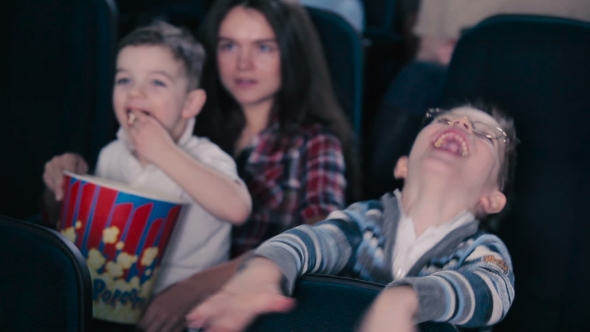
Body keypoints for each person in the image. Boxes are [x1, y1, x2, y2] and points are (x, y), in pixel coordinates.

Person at [187, 103, 518, 331]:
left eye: (485, 134)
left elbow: (492, 290)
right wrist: (262, 271)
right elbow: (312, 241)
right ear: (403, 165)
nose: (459, 124)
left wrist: (404, 300)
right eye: (443, 120)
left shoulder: (483, 249)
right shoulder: (363, 222)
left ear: (491, 198)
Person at [137, 0, 359, 331]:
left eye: (264, 48)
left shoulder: (315, 142)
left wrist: (198, 286)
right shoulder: (192, 127)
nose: (244, 64)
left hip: (255, 313)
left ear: (290, 54)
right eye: (229, 46)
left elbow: (322, 235)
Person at [41, 21, 252, 302]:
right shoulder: (111, 154)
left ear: (191, 104)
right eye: (124, 80)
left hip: (185, 313)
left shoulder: (206, 157)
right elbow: (61, 222)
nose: (136, 93)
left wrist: (163, 153)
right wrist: (61, 184)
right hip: (112, 300)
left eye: (157, 82)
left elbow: (237, 208)